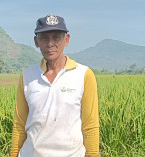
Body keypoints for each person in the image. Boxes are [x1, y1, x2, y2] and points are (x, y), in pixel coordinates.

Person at [10, 14, 99, 157]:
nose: (50, 43)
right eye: (44, 38)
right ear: (36, 41)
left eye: (56, 37)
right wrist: (14, 154)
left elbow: (90, 126)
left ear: (66, 40)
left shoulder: (83, 74)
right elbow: (19, 124)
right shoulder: (27, 76)